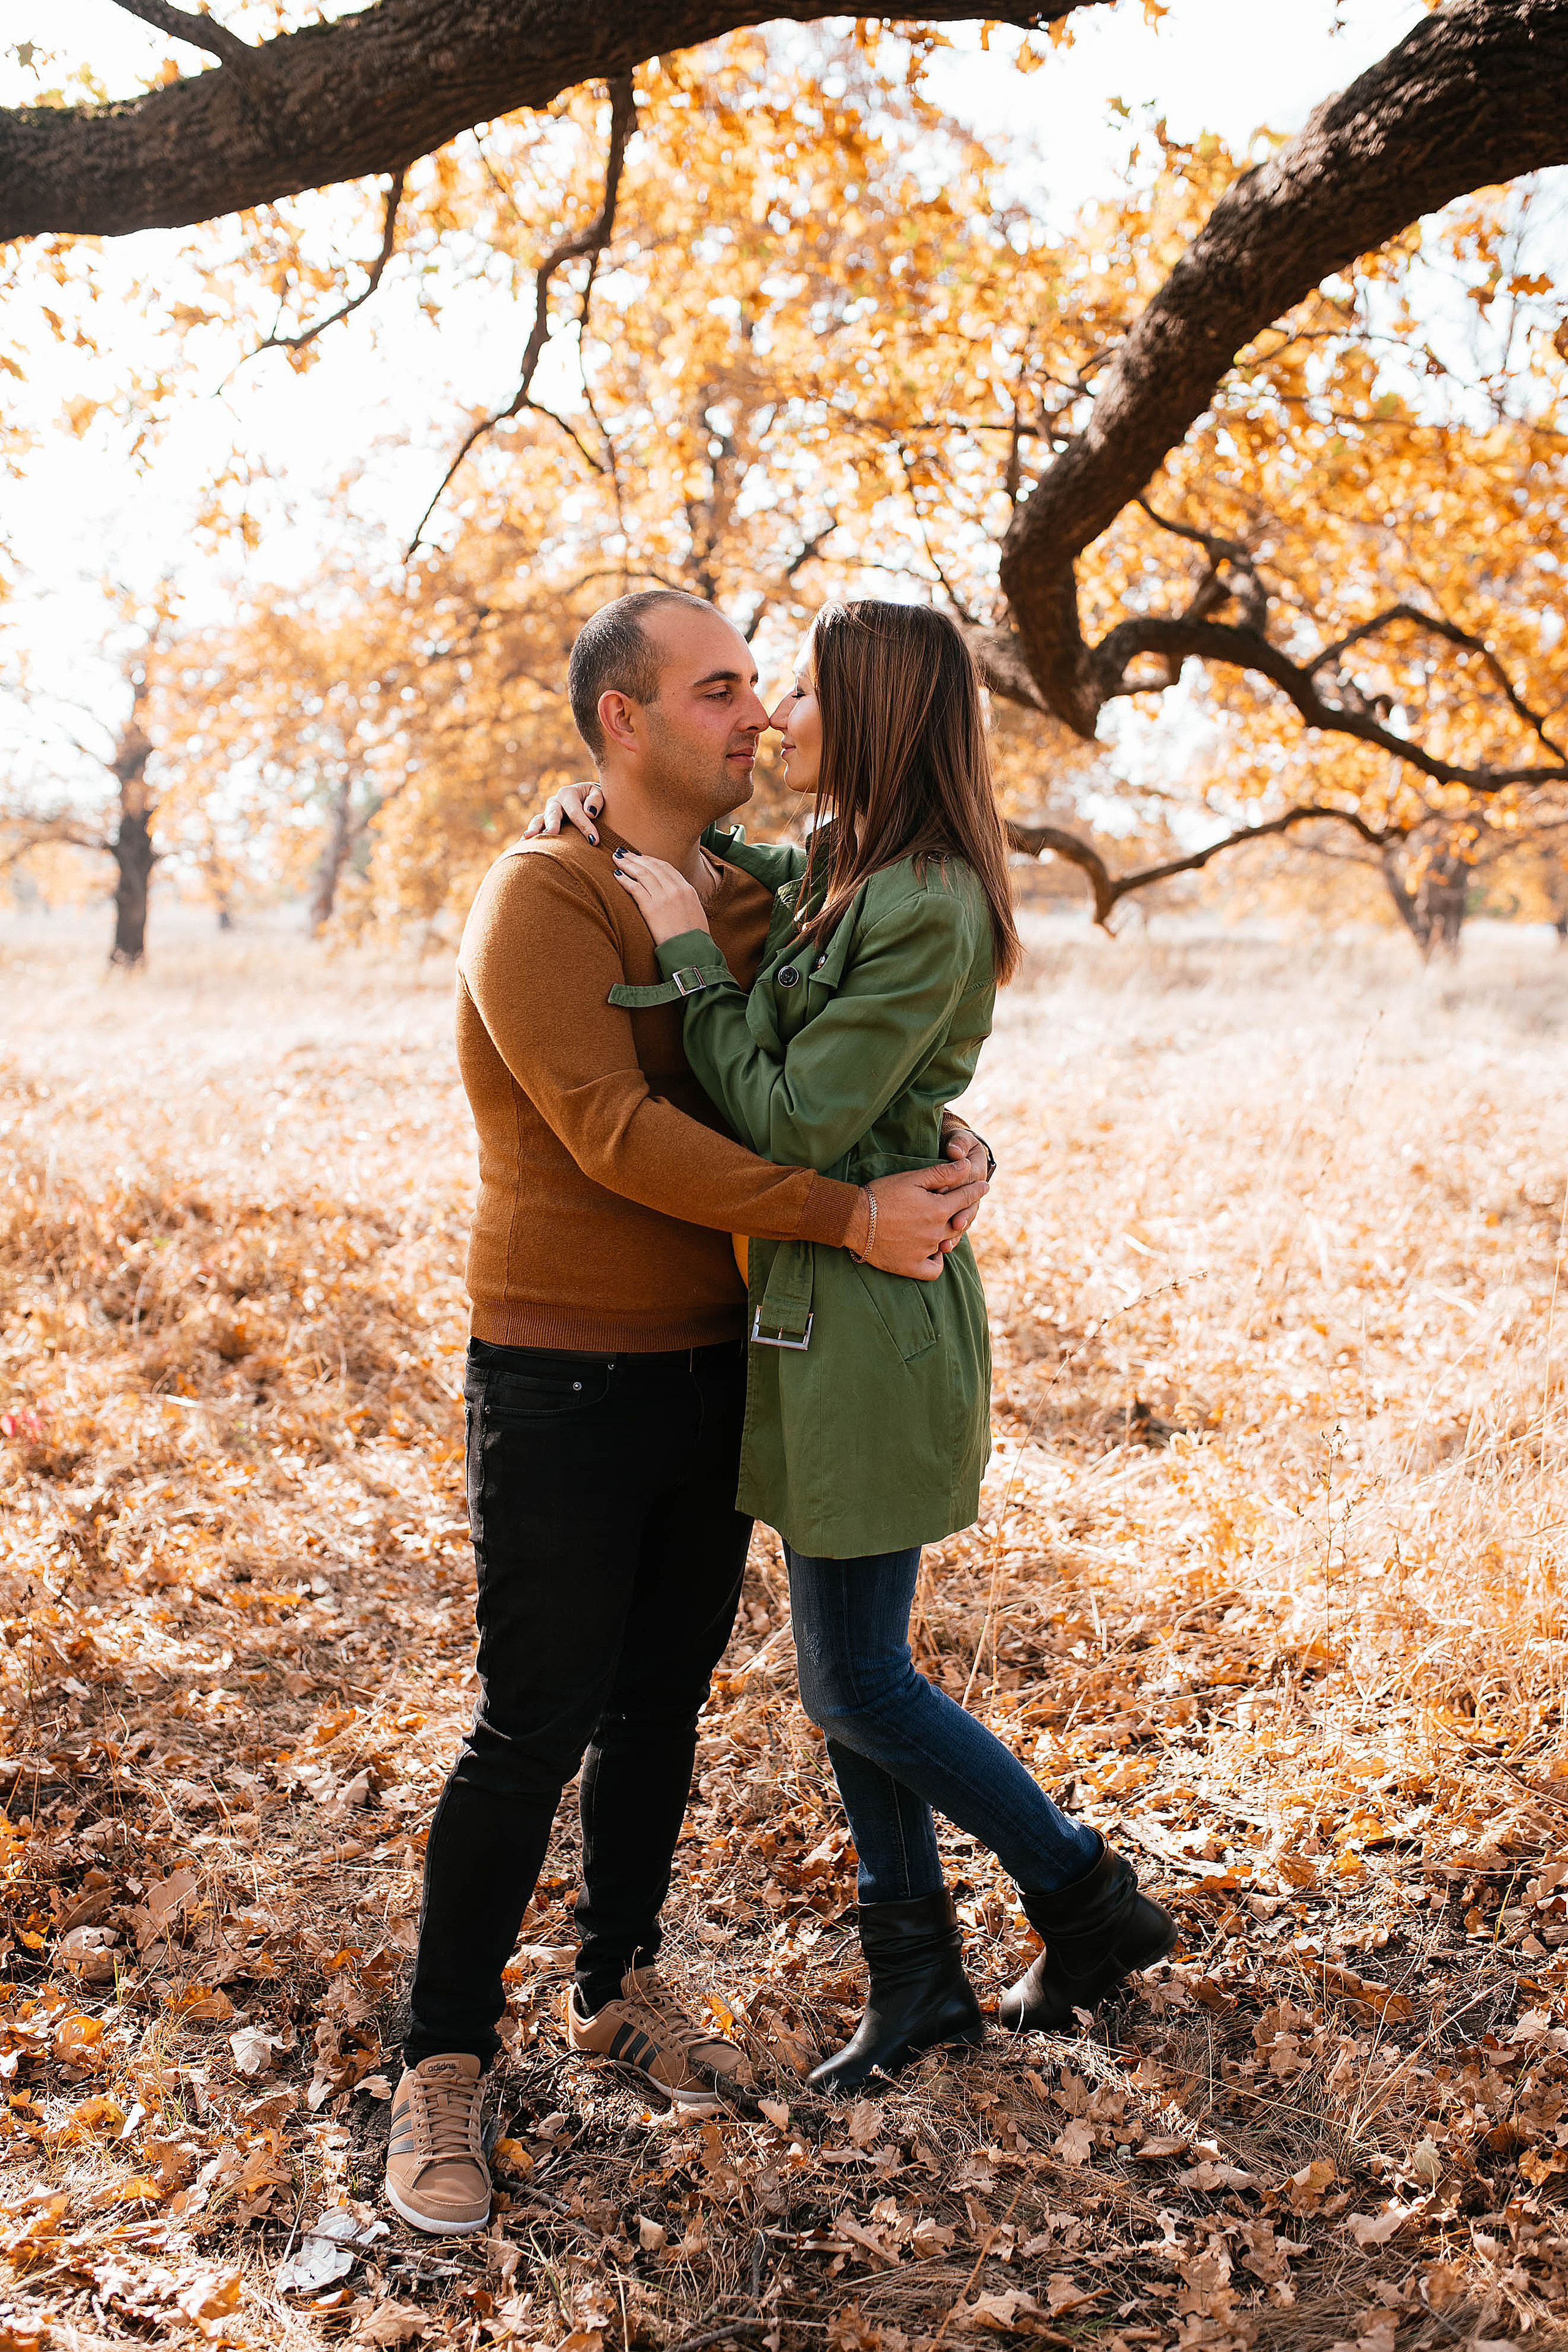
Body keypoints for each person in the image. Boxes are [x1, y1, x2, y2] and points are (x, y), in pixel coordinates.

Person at [383, 589, 991, 2238]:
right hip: (560, 1364)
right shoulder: (542, 896)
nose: (758, 719)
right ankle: (438, 2067)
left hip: (723, 1361)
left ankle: (618, 1990)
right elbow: (617, 1135)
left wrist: (952, 1158)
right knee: (535, 1721)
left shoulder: (747, 896)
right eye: (719, 692)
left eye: (758, 689)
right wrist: (843, 1217)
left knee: (659, 1710)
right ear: (622, 723)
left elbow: (850, 1063)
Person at [543, 600, 1177, 2096]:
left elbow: (790, 1122)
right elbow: (758, 871)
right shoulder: (843, 862)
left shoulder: (929, 902)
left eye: (800, 690)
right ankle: (921, 1985)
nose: (768, 713)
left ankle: (1086, 1899)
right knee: (852, 1664)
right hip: (807, 1308)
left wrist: (692, 952)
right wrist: (616, 824)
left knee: (851, 1683)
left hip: (874, 1319)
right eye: (749, 689)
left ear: (877, 713)